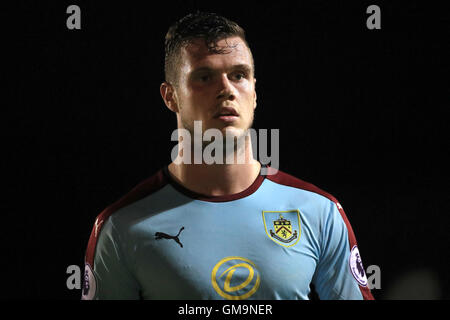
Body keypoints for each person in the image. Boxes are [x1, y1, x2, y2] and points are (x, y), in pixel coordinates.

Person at [82, 11, 374, 300]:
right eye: (205, 77)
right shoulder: (121, 227)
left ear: (255, 92)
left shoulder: (319, 213)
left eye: (238, 75)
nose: (226, 90)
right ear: (170, 96)